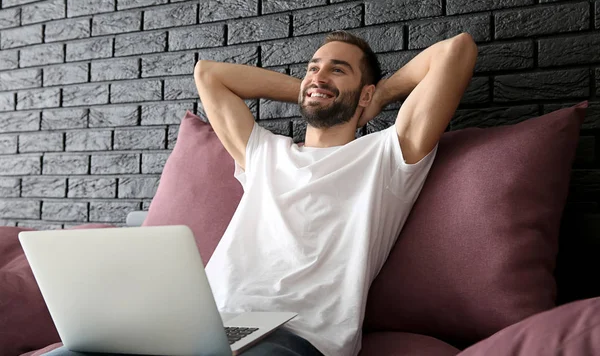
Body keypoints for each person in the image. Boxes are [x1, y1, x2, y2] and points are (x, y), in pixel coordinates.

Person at [45, 31, 477, 356]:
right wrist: (311, 91)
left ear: (363, 90)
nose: (319, 75)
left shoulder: (387, 155)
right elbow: (208, 74)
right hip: (200, 326)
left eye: (337, 69)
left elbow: (455, 51)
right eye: (313, 66)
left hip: (297, 336)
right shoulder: (265, 152)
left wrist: (378, 97)